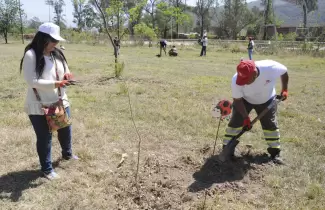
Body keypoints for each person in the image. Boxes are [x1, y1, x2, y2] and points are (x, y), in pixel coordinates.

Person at [20, 22, 78, 180]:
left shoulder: (56, 53)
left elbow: (66, 70)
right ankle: (46, 169)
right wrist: (56, 83)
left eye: (57, 41)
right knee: (45, 136)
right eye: (53, 40)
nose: (56, 44)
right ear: (43, 38)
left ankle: (68, 154)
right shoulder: (31, 55)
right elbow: (32, 81)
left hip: (60, 101)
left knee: (65, 129)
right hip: (40, 105)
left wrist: (67, 77)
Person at [222, 59, 289, 164]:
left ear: (254, 74)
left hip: (267, 99)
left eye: (246, 80)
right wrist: (245, 117)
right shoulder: (236, 79)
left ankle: (275, 152)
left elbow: (284, 72)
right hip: (245, 100)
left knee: (270, 125)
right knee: (235, 123)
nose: (243, 82)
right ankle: (227, 148)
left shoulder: (270, 67)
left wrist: (285, 89)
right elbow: (238, 100)